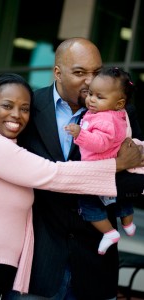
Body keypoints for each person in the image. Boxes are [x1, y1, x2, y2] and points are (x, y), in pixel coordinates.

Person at [0, 38, 144, 300]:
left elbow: (137, 176)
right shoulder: (26, 106)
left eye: (96, 71)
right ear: (57, 72)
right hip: (37, 265)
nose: (91, 81)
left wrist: (119, 176)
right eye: (80, 72)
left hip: (95, 263)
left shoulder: (121, 112)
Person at [65, 67, 144, 256]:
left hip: (98, 168)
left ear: (119, 103)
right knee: (115, 199)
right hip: (108, 170)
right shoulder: (112, 113)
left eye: (99, 97)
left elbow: (100, 143)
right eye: (91, 94)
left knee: (88, 204)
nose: (91, 99)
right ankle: (128, 222)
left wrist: (80, 134)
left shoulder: (106, 120)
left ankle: (109, 232)